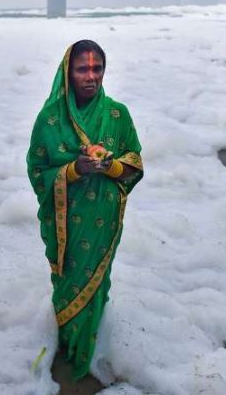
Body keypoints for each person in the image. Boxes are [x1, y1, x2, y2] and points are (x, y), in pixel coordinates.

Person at [27, 40, 143, 380]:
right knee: (69, 283)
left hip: (103, 222)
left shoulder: (118, 114)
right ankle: (65, 346)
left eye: (97, 68)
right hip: (68, 224)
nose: (91, 76)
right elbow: (37, 171)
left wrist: (110, 167)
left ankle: (93, 349)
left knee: (97, 283)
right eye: (82, 69)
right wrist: (74, 170)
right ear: (68, 72)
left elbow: (135, 161)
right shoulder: (49, 120)